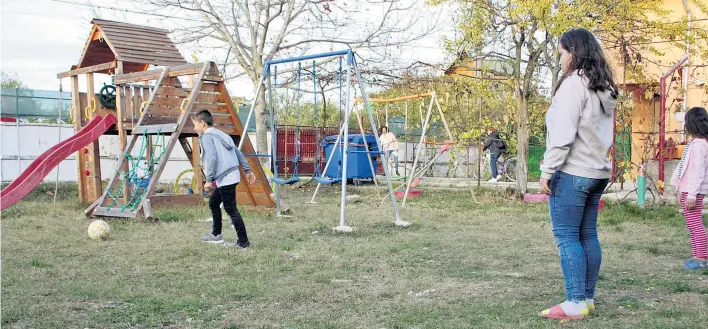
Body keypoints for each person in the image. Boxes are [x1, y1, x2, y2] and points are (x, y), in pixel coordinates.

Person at [539, 28, 619, 320]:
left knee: (567, 236)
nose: (560, 60)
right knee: (587, 234)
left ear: (573, 53)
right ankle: (586, 299)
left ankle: (575, 302)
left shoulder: (574, 85)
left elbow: (562, 135)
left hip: (572, 171)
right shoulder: (603, 87)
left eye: (561, 53)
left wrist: (548, 170)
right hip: (597, 172)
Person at [192, 110, 256, 248]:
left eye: (195, 125)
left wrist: (209, 180)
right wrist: (247, 170)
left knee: (230, 208)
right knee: (214, 203)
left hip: (225, 177)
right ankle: (216, 234)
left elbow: (212, 157)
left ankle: (243, 242)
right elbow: (237, 152)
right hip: (230, 176)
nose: (194, 128)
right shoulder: (222, 134)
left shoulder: (208, 137)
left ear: (202, 123)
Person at [670, 107, 708, 270]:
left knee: (695, 224)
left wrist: (692, 194)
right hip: (688, 189)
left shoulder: (700, 145)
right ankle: (697, 255)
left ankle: (702, 257)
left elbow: (698, 171)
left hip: (694, 190)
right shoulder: (695, 143)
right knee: (691, 224)